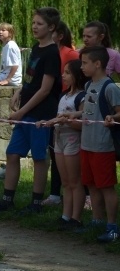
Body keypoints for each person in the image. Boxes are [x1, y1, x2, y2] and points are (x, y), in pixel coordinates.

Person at [0, 7, 62, 217]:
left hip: (41, 113)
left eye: (40, 24)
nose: (35, 26)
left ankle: (36, 202)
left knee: (39, 158)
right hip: (26, 111)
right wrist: (19, 92)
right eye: (33, 22)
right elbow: (31, 78)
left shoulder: (53, 53)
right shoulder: (36, 48)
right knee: (12, 153)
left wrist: (21, 111)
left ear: (51, 27)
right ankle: (7, 199)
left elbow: (45, 89)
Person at [78, 46, 120, 243]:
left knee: (106, 187)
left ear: (98, 64)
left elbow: (119, 112)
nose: (81, 67)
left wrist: (113, 116)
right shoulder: (88, 86)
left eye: (85, 63)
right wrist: (73, 115)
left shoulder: (109, 87)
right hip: (87, 144)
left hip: (103, 146)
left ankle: (112, 226)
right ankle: (97, 220)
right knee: (91, 184)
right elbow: (88, 111)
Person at [40, 59, 87, 230]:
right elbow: (59, 117)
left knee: (75, 181)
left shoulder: (82, 97)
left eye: (67, 73)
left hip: (73, 140)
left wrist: (66, 121)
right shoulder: (63, 96)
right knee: (66, 182)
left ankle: (77, 218)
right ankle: (65, 216)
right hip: (58, 139)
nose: (63, 76)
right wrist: (47, 122)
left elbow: (81, 124)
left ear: (76, 75)